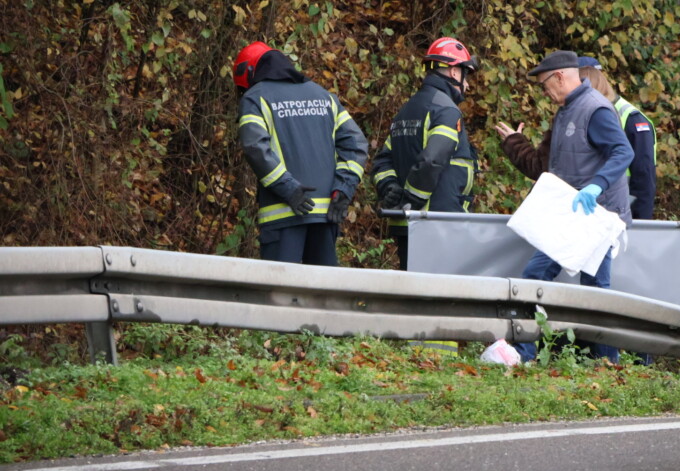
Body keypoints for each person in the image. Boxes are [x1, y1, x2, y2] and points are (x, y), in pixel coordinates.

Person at [494, 50, 633, 363]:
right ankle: (606, 363)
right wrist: (516, 144)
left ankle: (532, 355)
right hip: (576, 215)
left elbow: (622, 152)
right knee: (589, 287)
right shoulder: (567, 111)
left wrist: (597, 184)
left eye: (545, 85)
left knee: (552, 279)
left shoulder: (595, 108)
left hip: (596, 216)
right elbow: (546, 165)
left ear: (560, 76)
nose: (545, 93)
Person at [370, 37, 480, 356]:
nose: (467, 84)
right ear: (449, 70)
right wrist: (414, 201)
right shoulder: (444, 110)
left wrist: (391, 190)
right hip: (435, 224)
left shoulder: (408, 109)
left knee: (415, 293)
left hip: (411, 224)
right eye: (465, 74)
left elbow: (383, 161)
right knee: (438, 296)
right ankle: (436, 361)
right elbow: (433, 159)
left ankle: (417, 354)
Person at [234, 41, 368, 265]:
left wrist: (288, 188)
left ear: (248, 74)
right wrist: (343, 189)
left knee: (281, 294)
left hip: (282, 218)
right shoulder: (323, 96)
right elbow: (356, 143)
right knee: (322, 295)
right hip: (326, 215)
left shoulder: (255, 98)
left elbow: (255, 147)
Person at [577, 56, 656, 220]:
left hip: (621, 212)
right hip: (591, 209)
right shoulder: (581, 112)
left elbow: (643, 176)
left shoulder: (631, 118)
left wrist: (641, 223)